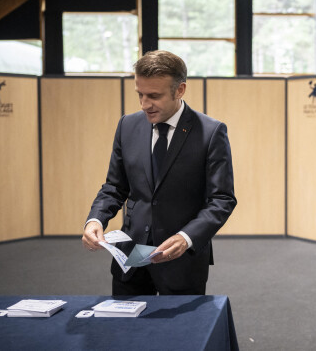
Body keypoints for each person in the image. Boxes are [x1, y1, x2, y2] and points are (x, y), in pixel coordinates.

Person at [82, 50, 236, 296]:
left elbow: (222, 200)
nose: (144, 104)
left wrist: (186, 237)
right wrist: (95, 219)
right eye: (140, 94)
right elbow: (114, 187)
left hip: (182, 262)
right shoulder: (127, 126)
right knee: (126, 332)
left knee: (181, 333)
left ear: (180, 90)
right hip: (129, 258)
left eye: (154, 96)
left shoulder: (211, 132)